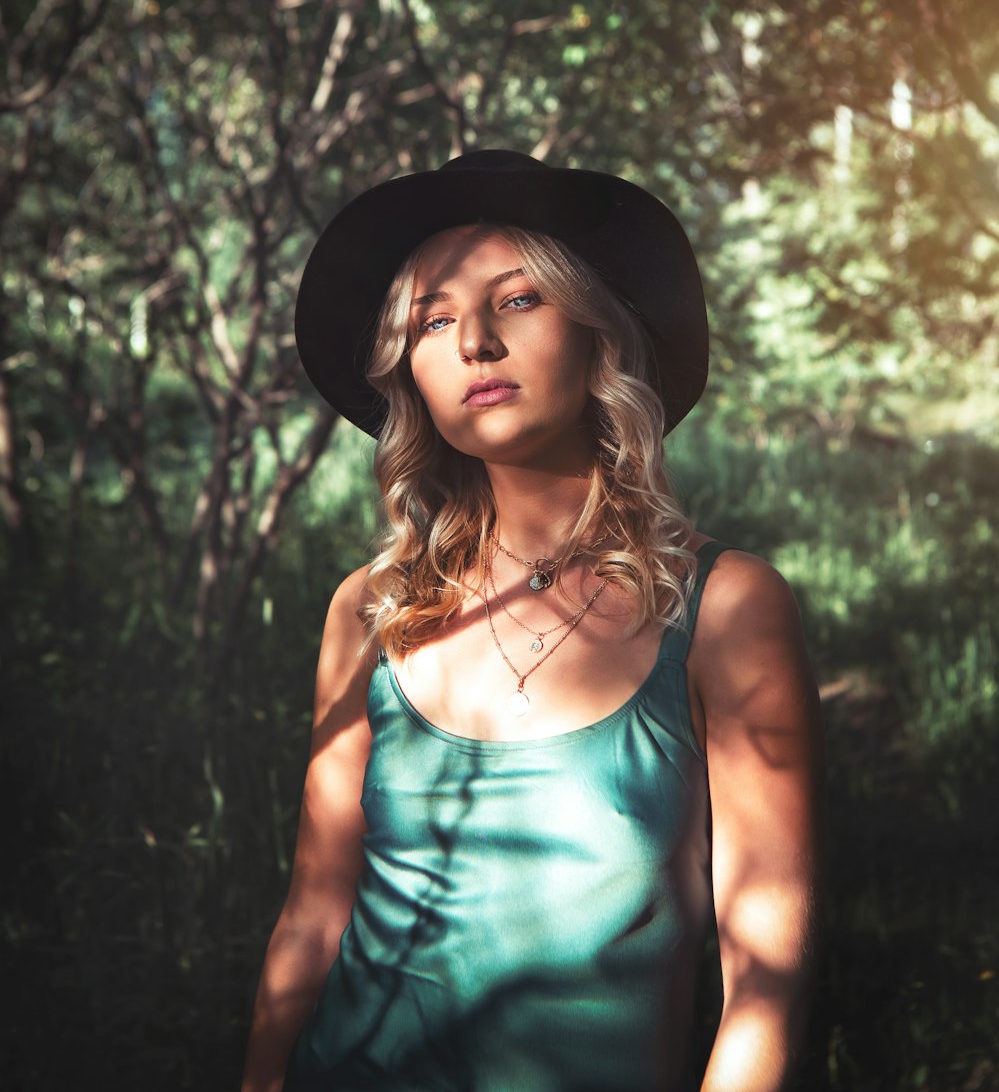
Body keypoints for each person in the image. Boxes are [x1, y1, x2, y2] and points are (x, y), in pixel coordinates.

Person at [241, 149, 825, 1092]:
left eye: (517, 301)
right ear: (411, 374)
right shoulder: (372, 612)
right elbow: (313, 915)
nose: (474, 341)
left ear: (600, 337)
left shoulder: (725, 606)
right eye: (433, 320)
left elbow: (765, 991)